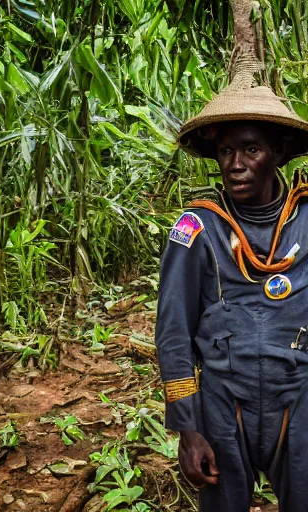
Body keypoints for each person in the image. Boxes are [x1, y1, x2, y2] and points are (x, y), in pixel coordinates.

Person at [156, 83, 308, 511]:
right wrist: (188, 429)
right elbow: (173, 333)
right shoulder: (196, 228)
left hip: (298, 398)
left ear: (278, 152)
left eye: (251, 150)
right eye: (225, 152)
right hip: (223, 403)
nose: (235, 165)